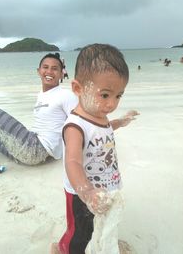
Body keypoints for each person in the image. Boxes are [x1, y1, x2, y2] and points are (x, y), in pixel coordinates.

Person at [51, 43, 139, 254]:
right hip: (82, 193)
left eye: (119, 96)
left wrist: (121, 121)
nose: (112, 104)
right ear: (78, 89)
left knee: (103, 225)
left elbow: (105, 129)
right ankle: (63, 249)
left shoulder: (100, 115)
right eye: (105, 95)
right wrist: (87, 192)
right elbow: (72, 162)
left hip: (106, 188)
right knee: (80, 232)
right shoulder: (75, 126)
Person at [0, 53, 78, 165]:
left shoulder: (65, 95)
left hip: (37, 148)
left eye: (54, 69)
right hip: (32, 153)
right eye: (45, 67)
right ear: (38, 71)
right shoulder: (41, 94)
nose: (49, 71)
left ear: (61, 74)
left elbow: (80, 122)